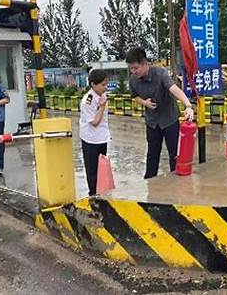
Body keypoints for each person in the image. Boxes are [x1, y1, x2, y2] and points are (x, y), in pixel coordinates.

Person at [126, 47, 194, 179]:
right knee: (152, 154)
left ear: (145, 63)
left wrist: (188, 105)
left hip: (169, 120)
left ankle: (177, 182)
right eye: (131, 68)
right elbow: (134, 96)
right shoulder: (133, 80)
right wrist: (144, 103)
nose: (133, 71)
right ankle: (150, 184)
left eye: (135, 68)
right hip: (152, 122)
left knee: (174, 154)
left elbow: (174, 89)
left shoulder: (160, 73)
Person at [80, 69, 110, 196]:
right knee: (92, 171)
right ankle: (93, 195)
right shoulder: (88, 100)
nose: (106, 87)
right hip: (91, 139)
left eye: (106, 84)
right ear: (93, 84)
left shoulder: (101, 96)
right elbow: (95, 122)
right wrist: (102, 107)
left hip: (102, 137)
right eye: (103, 85)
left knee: (102, 168)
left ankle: (102, 192)